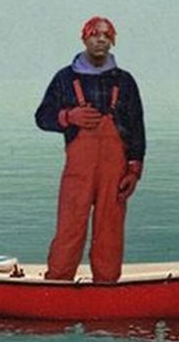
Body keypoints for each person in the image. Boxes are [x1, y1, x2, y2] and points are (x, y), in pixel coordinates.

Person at [35, 16, 146, 283]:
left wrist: (134, 169)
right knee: (70, 226)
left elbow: (137, 128)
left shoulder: (126, 82)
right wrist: (67, 117)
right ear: (84, 38)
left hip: (115, 170)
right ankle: (57, 283)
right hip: (79, 171)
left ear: (113, 41)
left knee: (109, 229)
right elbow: (42, 117)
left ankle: (106, 286)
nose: (100, 39)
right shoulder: (64, 78)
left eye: (107, 35)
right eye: (95, 34)